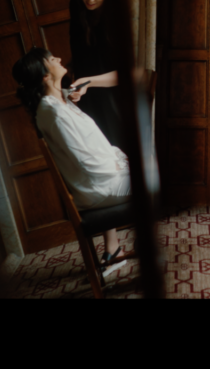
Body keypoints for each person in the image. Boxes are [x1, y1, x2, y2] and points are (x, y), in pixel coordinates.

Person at [12, 47, 131, 275]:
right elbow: (85, 162)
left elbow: (95, 148)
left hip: (99, 181)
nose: (57, 58)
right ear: (45, 76)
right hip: (99, 187)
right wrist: (121, 165)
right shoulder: (54, 112)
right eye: (50, 59)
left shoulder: (57, 103)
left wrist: (73, 90)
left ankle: (112, 251)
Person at [65, 0, 124, 149]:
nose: (90, 0)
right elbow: (80, 52)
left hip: (113, 92)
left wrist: (88, 82)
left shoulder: (117, 15)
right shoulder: (76, 5)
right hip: (85, 92)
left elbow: (125, 74)